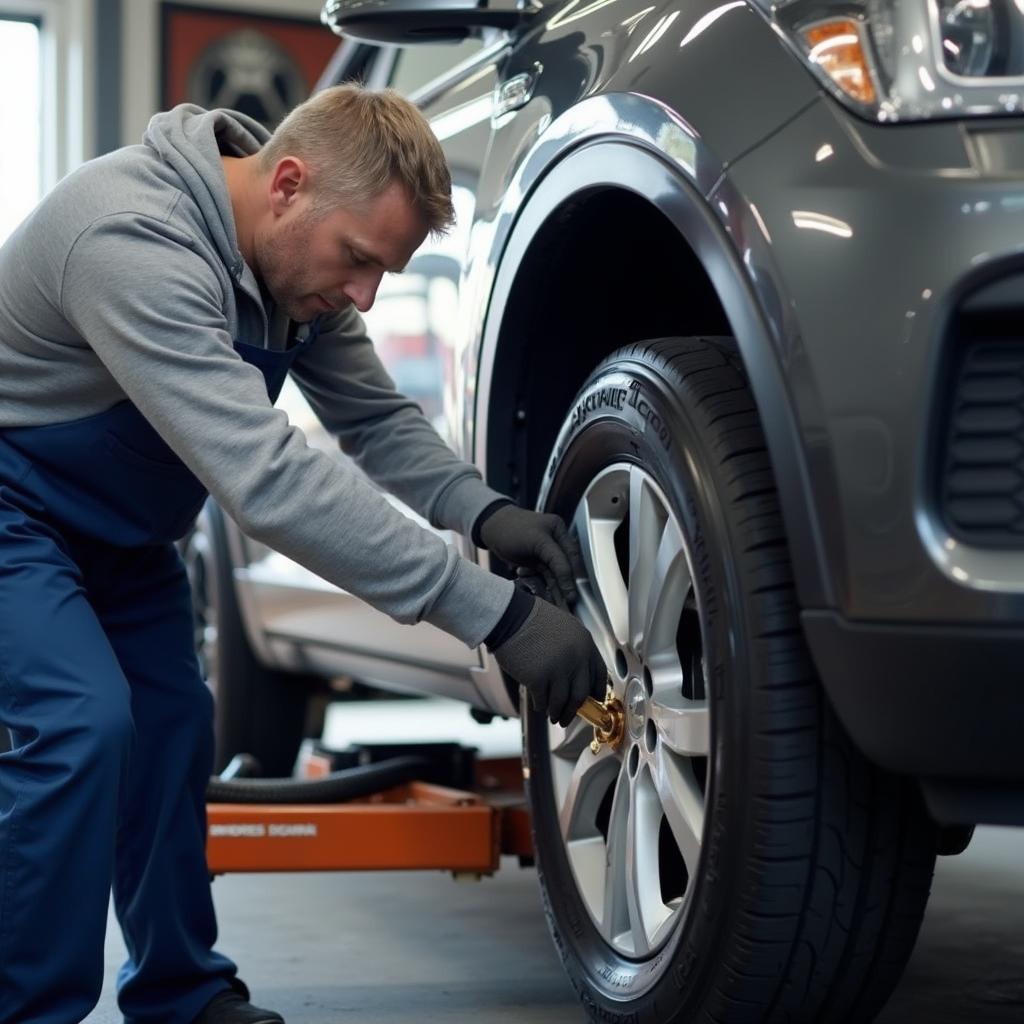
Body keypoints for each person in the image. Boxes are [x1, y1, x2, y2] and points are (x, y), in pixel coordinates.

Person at [0, 85, 606, 1024]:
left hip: (122, 536)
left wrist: (485, 515)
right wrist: (497, 614)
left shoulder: (294, 264)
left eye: (383, 272)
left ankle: (181, 995)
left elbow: (371, 419)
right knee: (84, 727)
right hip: (11, 515)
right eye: (359, 261)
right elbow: (268, 480)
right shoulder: (130, 240)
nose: (362, 295)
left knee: (171, 732)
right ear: (287, 184)